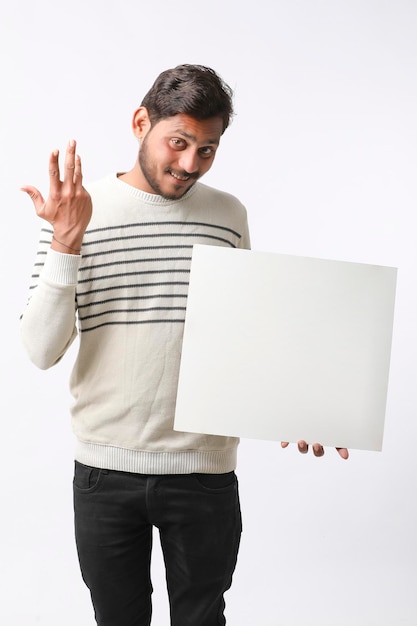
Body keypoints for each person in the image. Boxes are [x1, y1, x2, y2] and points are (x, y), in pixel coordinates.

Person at [20, 64, 349, 626]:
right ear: (140, 122)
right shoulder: (77, 212)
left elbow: (246, 334)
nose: (189, 164)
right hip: (105, 471)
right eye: (179, 142)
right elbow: (39, 349)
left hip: (203, 472)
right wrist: (66, 244)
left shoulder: (228, 217)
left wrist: (303, 403)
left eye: (208, 149)